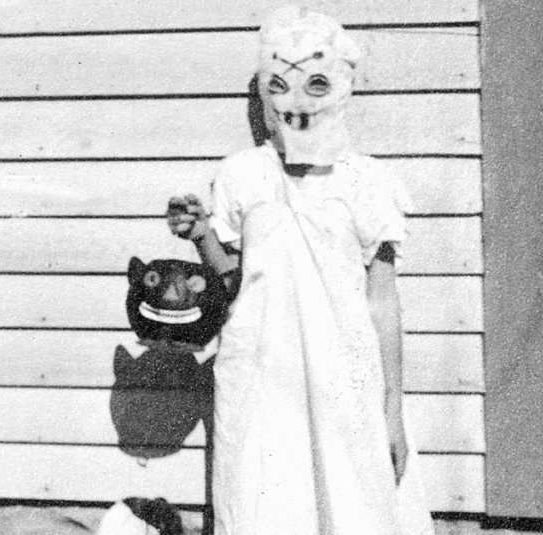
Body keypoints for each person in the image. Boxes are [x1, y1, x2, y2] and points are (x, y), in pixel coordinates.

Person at [166, 8, 435, 535]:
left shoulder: (367, 183)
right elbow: (233, 284)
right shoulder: (244, 175)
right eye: (280, 86)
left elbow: (383, 301)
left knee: (352, 504)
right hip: (262, 377)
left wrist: (393, 409)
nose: (297, 103)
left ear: (341, 89)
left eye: (316, 85)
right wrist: (201, 236)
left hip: (342, 377)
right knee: (264, 506)